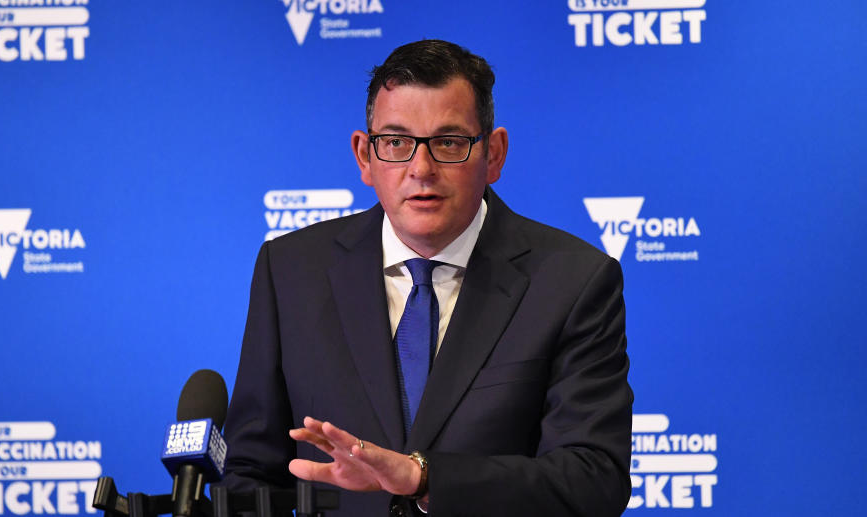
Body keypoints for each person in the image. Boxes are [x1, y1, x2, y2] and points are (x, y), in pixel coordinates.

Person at [221, 39, 632, 516]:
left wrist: (426, 478)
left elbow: (592, 479)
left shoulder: (572, 280)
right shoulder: (290, 270)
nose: (421, 169)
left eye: (449, 143)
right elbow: (251, 472)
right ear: (364, 156)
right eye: (396, 142)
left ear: (493, 154)